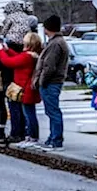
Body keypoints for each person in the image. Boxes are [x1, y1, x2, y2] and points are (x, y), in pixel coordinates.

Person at [0, 33, 42, 147]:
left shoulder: (27, 57)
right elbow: (18, 57)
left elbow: (9, 62)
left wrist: (1, 51)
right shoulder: (32, 56)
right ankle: (29, 136)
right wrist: (8, 50)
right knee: (28, 113)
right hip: (27, 89)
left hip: (25, 89)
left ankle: (32, 137)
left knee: (29, 114)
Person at [34, 15, 70, 150]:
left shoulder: (55, 44)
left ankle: (56, 140)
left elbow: (49, 66)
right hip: (53, 82)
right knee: (51, 111)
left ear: (47, 28)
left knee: (53, 111)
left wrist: (42, 81)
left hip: (51, 82)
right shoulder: (57, 42)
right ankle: (52, 138)